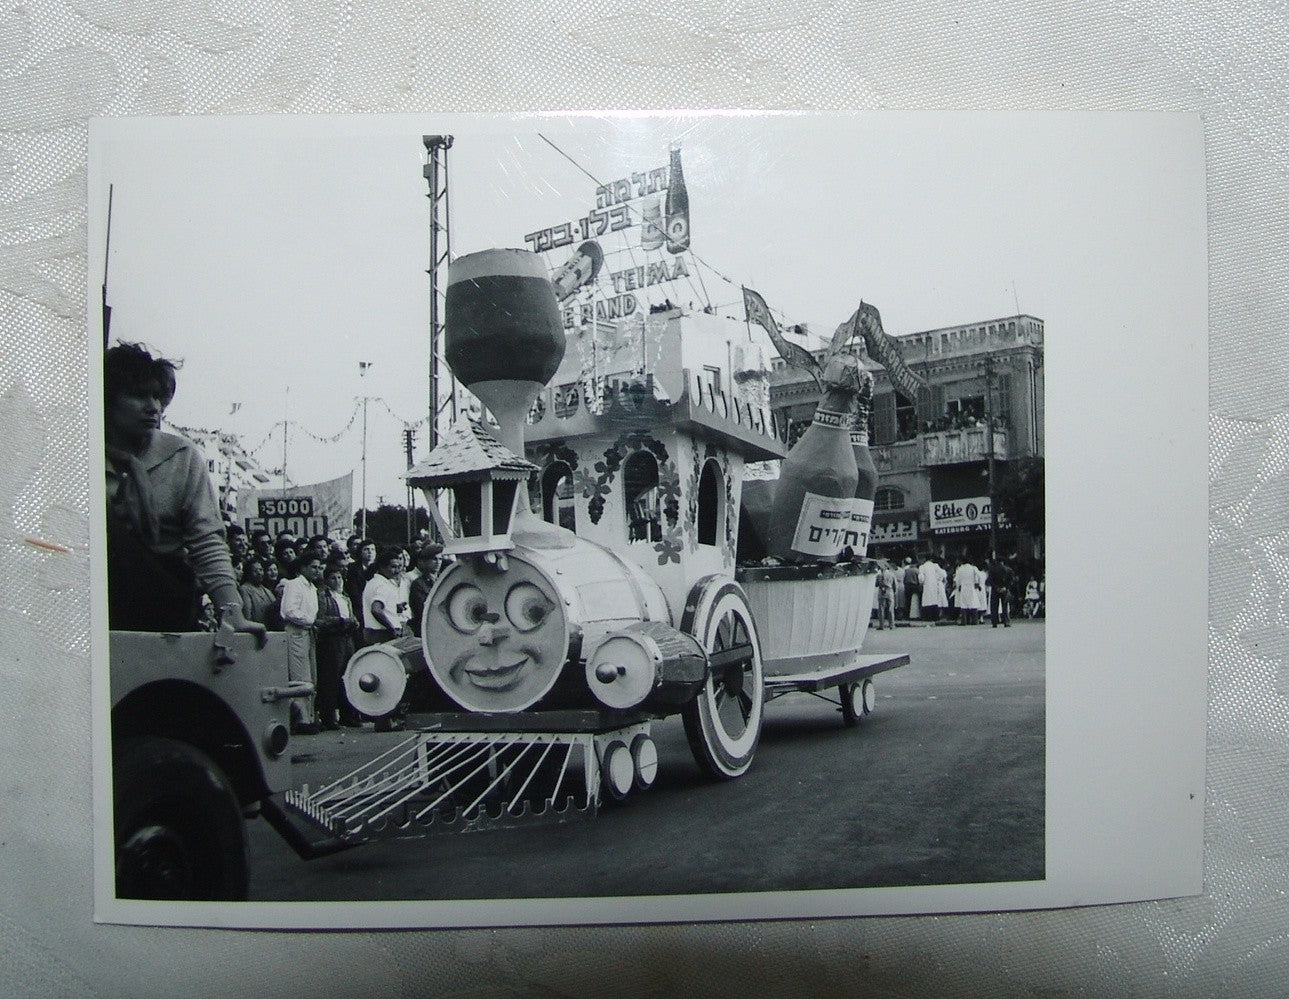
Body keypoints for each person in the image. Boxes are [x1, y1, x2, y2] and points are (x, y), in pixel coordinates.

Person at [103, 342, 264, 642]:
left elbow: (206, 539)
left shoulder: (181, 455)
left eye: (157, 396)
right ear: (108, 398)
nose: (154, 407)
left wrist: (232, 612)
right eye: (139, 396)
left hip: (164, 605)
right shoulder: (76, 455)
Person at [280, 553, 325, 733]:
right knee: (300, 676)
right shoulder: (294, 585)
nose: (317, 571)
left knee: (311, 676)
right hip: (296, 632)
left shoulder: (312, 588)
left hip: (307, 632)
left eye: (319, 567)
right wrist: (310, 621)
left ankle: (310, 717)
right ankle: (301, 720)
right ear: (303, 567)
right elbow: (289, 611)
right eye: (313, 567)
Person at [314, 565, 361, 730]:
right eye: (333, 578)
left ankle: (348, 715)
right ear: (326, 580)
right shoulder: (323, 596)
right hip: (332, 641)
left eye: (339, 578)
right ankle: (329, 717)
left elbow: (351, 615)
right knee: (330, 679)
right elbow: (320, 619)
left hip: (347, 639)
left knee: (347, 676)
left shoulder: (345, 597)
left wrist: (353, 622)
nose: (337, 581)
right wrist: (340, 622)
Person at [408, 543, 443, 638]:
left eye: (440, 559)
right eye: (434, 559)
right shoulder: (418, 584)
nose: (438, 562)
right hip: (426, 629)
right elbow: (422, 610)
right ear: (425, 561)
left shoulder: (443, 580)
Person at [239, 558, 277, 628]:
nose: (259, 573)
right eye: (255, 571)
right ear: (248, 573)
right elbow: (247, 616)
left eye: (261, 570)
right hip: (255, 631)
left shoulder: (267, 591)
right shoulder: (244, 589)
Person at [954, 557, 984, 625]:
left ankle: (964, 621)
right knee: (973, 603)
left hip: (964, 587)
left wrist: (958, 586)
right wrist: (977, 583)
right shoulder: (973, 568)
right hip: (971, 587)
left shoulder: (960, 569)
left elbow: (957, 579)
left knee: (963, 604)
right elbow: (979, 576)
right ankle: (974, 621)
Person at [987, 554, 1013, 628]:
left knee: (994, 606)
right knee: (1005, 606)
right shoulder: (1008, 569)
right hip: (1004, 589)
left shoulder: (992, 569)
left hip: (995, 590)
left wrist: (996, 588)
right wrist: (1005, 587)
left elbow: (990, 581)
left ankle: (994, 622)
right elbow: (1011, 581)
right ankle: (1006, 622)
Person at [918, 554, 944, 623]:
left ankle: (927, 617)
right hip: (935, 585)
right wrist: (938, 579)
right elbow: (943, 574)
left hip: (926, 585)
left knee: (927, 600)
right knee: (934, 600)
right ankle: (935, 617)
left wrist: (921, 583)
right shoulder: (935, 566)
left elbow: (921, 578)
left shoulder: (922, 567)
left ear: (925, 559)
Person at [874, 562, 897, 630]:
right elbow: (895, 585)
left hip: (881, 592)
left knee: (881, 609)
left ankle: (881, 625)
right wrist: (894, 592)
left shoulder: (879, 575)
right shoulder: (892, 574)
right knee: (890, 609)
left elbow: (876, 584)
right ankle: (892, 625)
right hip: (889, 591)